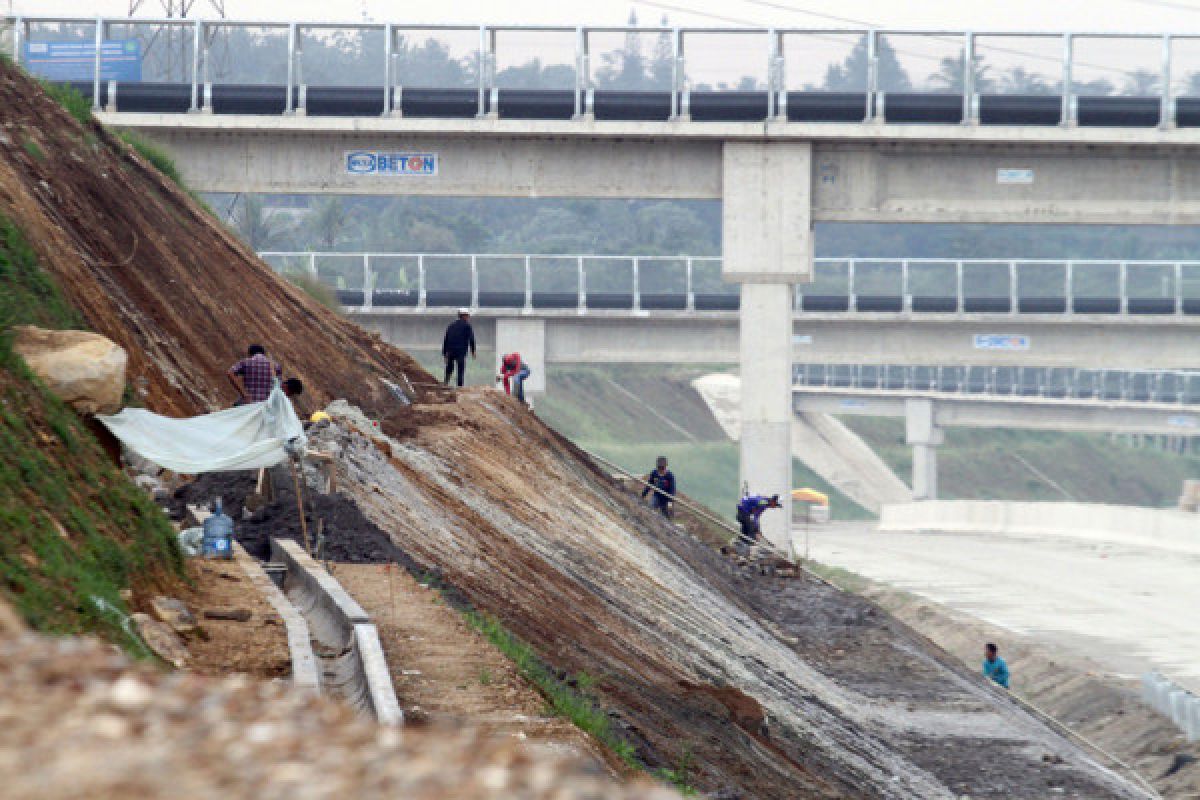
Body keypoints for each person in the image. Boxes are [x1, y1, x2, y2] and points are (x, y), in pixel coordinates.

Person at [442, 308, 476, 387]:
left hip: (451, 351)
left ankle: (445, 383)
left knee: (449, 368)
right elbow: (471, 338)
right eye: (467, 316)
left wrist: (445, 354)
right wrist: (473, 351)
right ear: (463, 316)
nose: (468, 317)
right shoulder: (467, 326)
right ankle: (460, 387)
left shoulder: (451, 325)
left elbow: (446, 340)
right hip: (460, 352)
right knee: (460, 370)